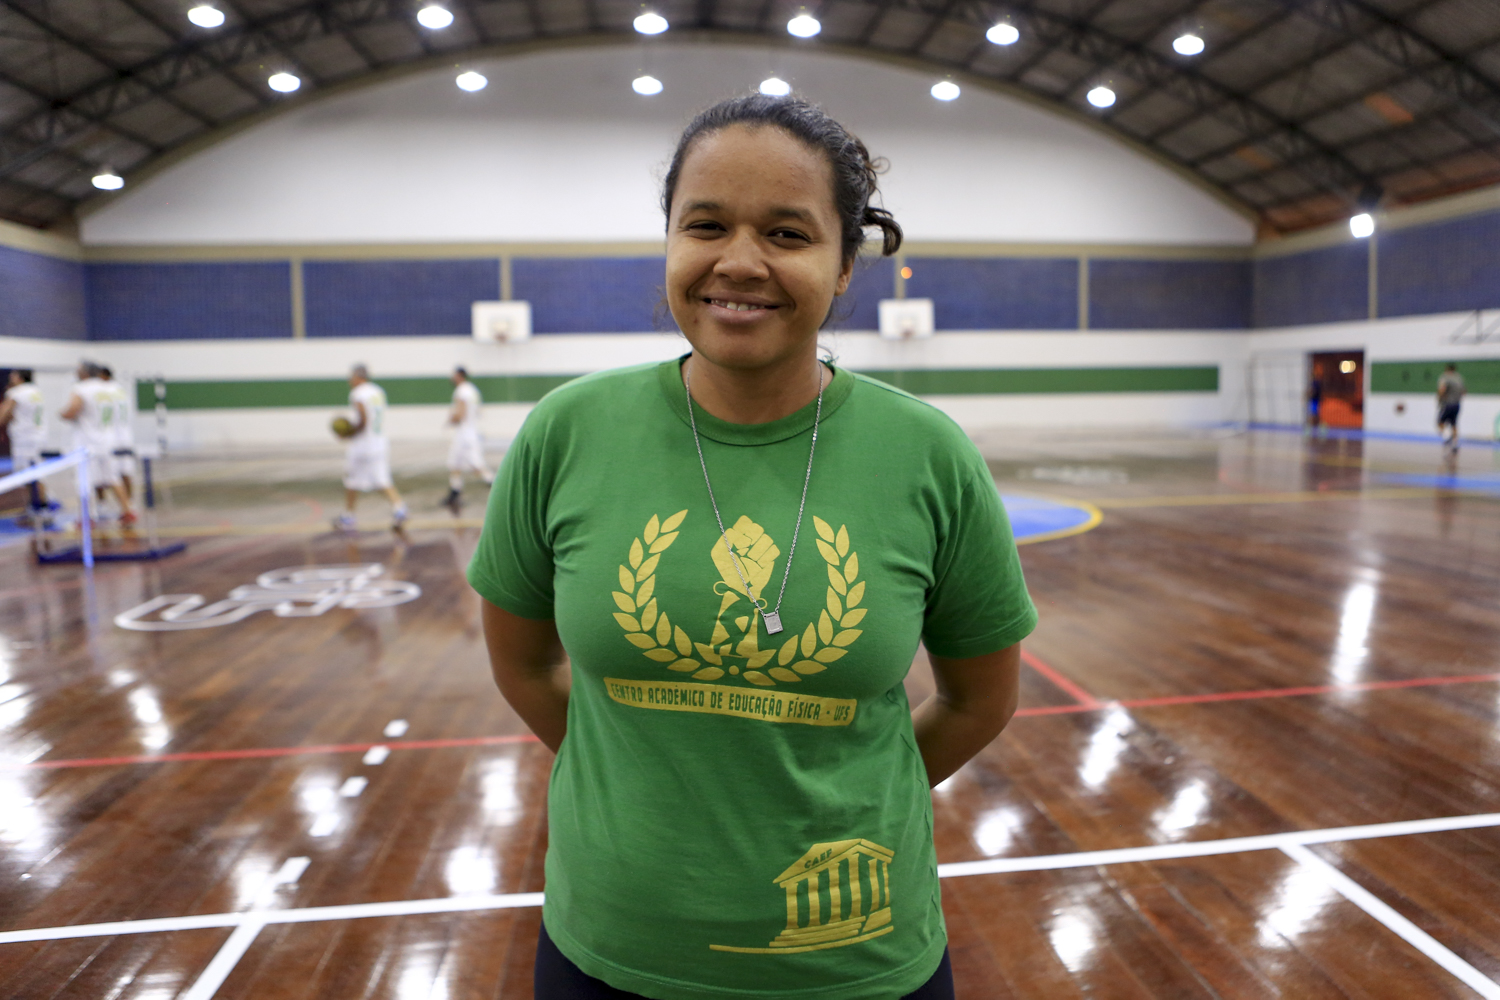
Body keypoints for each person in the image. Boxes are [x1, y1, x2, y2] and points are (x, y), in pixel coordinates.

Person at [469, 95, 1036, 1000]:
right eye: (705, 225)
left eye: (786, 232)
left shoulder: (929, 456)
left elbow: (980, 698)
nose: (739, 262)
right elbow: (526, 669)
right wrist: (644, 790)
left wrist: (849, 794)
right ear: (668, 243)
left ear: (846, 264)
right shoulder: (565, 432)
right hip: (610, 949)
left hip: (853, 960)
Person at [333, 363, 407, 531]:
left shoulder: (358, 394)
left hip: (363, 445)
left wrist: (348, 433)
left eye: (351, 376)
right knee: (382, 480)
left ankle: (348, 517)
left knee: (351, 480)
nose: (349, 380)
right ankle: (400, 508)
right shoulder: (378, 391)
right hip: (379, 442)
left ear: (359, 377)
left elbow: (363, 421)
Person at [61, 361, 135, 525]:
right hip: (108, 438)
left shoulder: (81, 389)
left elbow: (72, 410)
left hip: (88, 441)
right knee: (113, 477)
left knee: (84, 480)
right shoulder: (109, 389)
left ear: (85, 373)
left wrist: (62, 414)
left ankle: (88, 516)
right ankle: (127, 510)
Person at [443, 366, 492, 511]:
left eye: (453, 375)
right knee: (454, 463)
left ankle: (494, 483)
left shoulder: (462, 391)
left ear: (459, 376)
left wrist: (452, 419)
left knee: (476, 465)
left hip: (465, 434)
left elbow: (460, 414)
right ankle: (455, 492)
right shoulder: (473, 390)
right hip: (470, 431)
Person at [1, 369, 50, 511]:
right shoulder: (36, 391)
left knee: (28, 474)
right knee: (38, 472)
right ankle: (39, 506)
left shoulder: (16, 392)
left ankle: (39, 507)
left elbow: (3, 416)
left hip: (24, 439)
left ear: (20, 377)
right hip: (39, 436)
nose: (10, 377)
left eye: (13, 375)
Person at [99, 365, 137, 501]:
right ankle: (130, 502)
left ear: (103, 375)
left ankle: (101, 504)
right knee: (126, 471)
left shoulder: (102, 391)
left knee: (101, 472)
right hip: (125, 434)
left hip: (110, 435)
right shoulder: (121, 390)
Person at [1437, 363, 1464, 452]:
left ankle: (1447, 438)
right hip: (1457, 404)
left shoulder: (1445, 377)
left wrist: (1440, 399)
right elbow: (1464, 391)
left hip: (1447, 403)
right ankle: (1455, 444)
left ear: (1447, 369)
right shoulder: (1459, 378)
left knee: (1440, 422)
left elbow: (1442, 389)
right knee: (1454, 424)